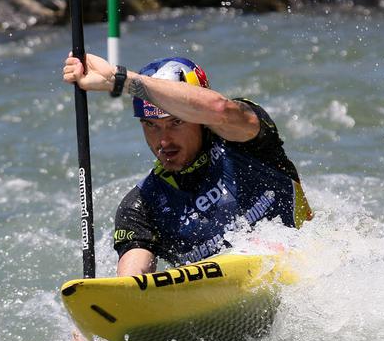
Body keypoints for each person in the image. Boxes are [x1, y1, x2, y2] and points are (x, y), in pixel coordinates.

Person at [62, 53, 313, 276]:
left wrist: (122, 80)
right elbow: (131, 284)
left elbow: (217, 108)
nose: (163, 140)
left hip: (309, 274)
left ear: (199, 120)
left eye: (176, 122)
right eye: (151, 125)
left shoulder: (246, 138)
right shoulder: (142, 205)